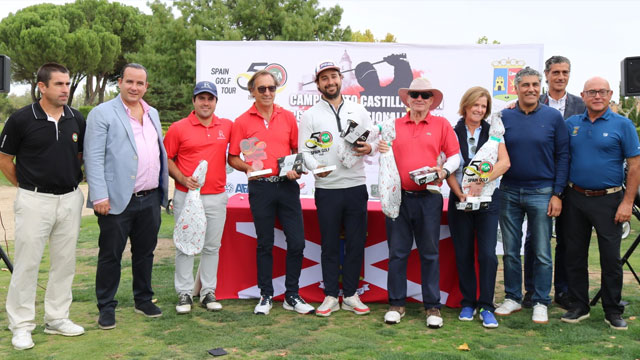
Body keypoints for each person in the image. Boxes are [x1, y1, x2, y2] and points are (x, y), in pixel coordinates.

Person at [0, 63, 86, 350]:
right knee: (27, 264)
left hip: (71, 199)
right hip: (34, 199)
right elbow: (4, 160)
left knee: (65, 263)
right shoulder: (21, 119)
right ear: (42, 86)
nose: (65, 89)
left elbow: (80, 156)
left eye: (67, 84)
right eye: (59, 84)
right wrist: (27, 186)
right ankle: (21, 325)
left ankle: (57, 318)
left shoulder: (76, 118)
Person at [84, 63, 169, 330]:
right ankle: (106, 307)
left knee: (145, 253)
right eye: (129, 81)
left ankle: (143, 300)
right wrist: (99, 196)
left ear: (146, 86)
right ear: (119, 82)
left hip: (150, 197)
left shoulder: (152, 113)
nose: (134, 87)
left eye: (140, 83)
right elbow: (94, 157)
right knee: (111, 255)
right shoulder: (102, 113)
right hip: (116, 200)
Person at [228, 70, 314, 315]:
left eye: (271, 88)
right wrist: (249, 168)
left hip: (287, 187)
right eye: (262, 88)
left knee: (297, 242)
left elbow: (298, 152)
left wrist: (297, 170)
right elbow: (233, 157)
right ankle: (265, 295)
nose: (267, 93)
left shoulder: (287, 117)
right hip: (260, 188)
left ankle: (292, 295)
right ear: (252, 91)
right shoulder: (242, 121)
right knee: (265, 244)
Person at [378, 77, 460, 328]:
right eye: (415, 94)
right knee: (398, 253)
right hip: (398, 197)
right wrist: (379, 146)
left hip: (429, 198)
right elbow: (373, 148)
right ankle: (396, 304)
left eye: (425, 95)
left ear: (432, 100)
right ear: (408, 98)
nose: (419, 99)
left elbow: (456, 156)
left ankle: (432, 307)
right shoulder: (392, 124)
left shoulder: (442, 124)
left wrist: (444, 172)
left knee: (430, 254)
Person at [561, 77, 640, 330]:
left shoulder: (623, 124)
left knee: (610, 258)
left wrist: (627, 203)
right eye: (592, 92)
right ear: (583, 96)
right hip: (575, 197)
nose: (597, 96)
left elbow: (635, 166)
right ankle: (579, 306)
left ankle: (612, 310)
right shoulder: (571, 124)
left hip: (609, 199)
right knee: (574, 255)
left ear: (610, 94)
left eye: (602, 92)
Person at [299, 60, 377, 317]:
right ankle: (331, 295)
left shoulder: (359, 110)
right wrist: (314, 168)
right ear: (318, 83)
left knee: (356, 243)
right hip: (327, 187)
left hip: (355, 186)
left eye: (333, 76)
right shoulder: (310, 115)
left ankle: (352, 294)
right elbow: (304, 151)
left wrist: (370, 149)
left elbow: (373, 142)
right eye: (324, 79)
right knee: (330, 244)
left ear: (340, 78)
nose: (330, 82)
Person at [494, 67, 569, 324]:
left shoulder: (553, 117)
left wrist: (558, 193)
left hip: (542, 192)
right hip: (509, 191)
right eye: (525, 85)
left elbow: (563, 156)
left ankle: (540, 301)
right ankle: (513, 297)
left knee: (541, 251)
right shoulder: (503, 117)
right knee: (511, 251)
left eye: (535, 85)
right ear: (516, 88)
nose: (531, 89)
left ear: (541, 87)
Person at [522, 56, 586, 309]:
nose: (561, 76)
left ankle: (563, 291)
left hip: (573, 183)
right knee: (535, 240)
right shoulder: (534, 102)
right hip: (541, 184)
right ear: (546, 75)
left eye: (565, 72)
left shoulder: (582, 105)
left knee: (568, 240)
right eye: (556, 72)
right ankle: (532, 291)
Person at [164, 81, 232, 314]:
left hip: (216, 196)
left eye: (210, 98)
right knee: (185, 246)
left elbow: (242, 149)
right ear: (193, 101)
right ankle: (184, 293)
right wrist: (182, 179)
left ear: (215, 102)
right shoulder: (178, 128)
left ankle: (207, 292)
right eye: (201, 98)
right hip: (187, 196)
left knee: (212, 247)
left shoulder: (226, 126)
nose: (205, 102)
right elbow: (167, 159)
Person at [446, 86, 510, 328]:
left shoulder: (494, 133)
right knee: (462, 254)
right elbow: (448, 169)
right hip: (460, 201)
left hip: (487, 202)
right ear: (466, 106)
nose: (480, 110)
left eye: (484, 107)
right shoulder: (452, 133)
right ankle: (468, 303)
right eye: (476, 105)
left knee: (487, 256)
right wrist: (459, 192)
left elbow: (505, 163)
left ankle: (486, 305)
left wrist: (482, 181)